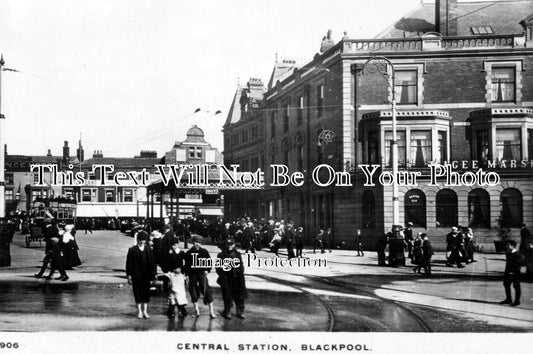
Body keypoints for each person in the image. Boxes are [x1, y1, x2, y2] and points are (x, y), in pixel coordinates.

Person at [126, 231, 157, 319]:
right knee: (138, 293)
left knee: (146, 294)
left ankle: (145, 311)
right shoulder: (132, 250)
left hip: (146, 275)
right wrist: (129, 276)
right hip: (136, 276)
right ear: (138, 240)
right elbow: (129, 264)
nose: (143, 242)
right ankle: (139, 312)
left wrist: (154, 275)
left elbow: (152, 263)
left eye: (144, 240)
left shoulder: (148, 249)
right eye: (141, 240)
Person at [184, 236, 217, 318]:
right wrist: (187, 275)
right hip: (192, 274)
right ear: (193, 242)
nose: (197, 244)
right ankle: (196, 311)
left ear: (201, 243)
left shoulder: (204, 252)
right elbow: (187, 266)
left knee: (207, 291)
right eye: (196, 242)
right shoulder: (188, 253)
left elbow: (209, 262)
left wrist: (207, 270)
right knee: (193, 292)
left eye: (199, 242)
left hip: (202, 273)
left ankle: (211, 312)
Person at [216, 238, 247, 319]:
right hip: (226, 279)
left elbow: (241, 266)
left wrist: (240, 272)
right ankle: (228, 311)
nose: (229, 246)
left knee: (240, 295)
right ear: (225, 245)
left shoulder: (238, 254)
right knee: (227, 296)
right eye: (228, 244)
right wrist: (223, 275)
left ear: (234, 245)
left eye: (231, 244)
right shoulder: (221, 255)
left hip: (237, 278)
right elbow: (218, 268)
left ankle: (240, 311)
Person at [162, 241, 188, 318]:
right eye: (172, 245)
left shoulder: (181, 253)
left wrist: (182, 269)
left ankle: (182, 308)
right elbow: (164, 264)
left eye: (175, 244)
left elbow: (188, 262)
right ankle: (171, 309)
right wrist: (169, 271)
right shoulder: (168, 253)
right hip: (171, 274)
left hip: (180, 274)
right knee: (172, 291)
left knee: (180, 292)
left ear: (177, 244)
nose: (173, 246)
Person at [500, 240, 521, 307]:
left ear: (512, 246)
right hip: (508, 272)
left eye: (508, 245)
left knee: (516, 286)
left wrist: (513, 271)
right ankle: (508, 299)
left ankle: (517, 301)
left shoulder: (517, 254)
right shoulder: (508, 253)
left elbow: (519, 264)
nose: (507, 246)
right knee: (506, 284)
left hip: (515, 273)